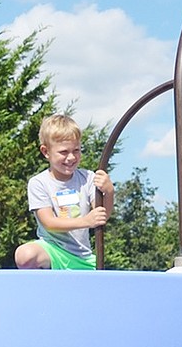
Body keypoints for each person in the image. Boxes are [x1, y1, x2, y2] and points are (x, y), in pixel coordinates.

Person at [14, 114, 114, 270]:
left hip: (82, 256)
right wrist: (85, 221)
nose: (71, 157)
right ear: (46, 152)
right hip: (53, 251)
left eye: (76, 150)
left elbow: (102, 216)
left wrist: (109, 191)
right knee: (25, 254)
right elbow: (49, 223)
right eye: (64, 152)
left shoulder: (88, 178)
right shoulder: (39, 183)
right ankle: (40, 288)